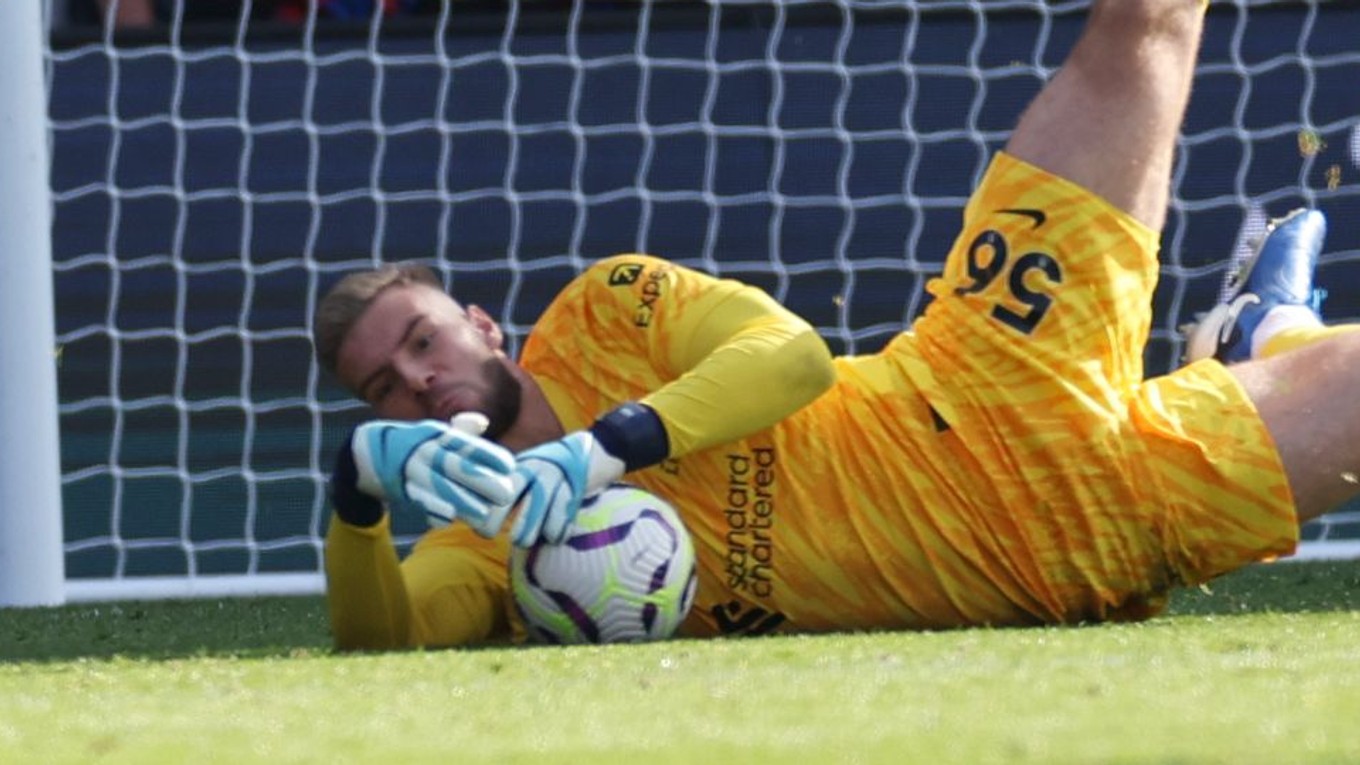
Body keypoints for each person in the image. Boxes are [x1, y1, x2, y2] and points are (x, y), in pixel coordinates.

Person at [312, 0, 1360, 651]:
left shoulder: (605, 308)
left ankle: (1259, 332)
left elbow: (790, 358)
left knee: (1142, 27)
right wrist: (357, 495)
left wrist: (598, 452)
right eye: (384, 391)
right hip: (1085, 531)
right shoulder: (490, 551)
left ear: (484, 326)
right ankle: (1261, 335)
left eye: (422, 339)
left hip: (982, 364)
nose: (418, 382)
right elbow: (385, 638)